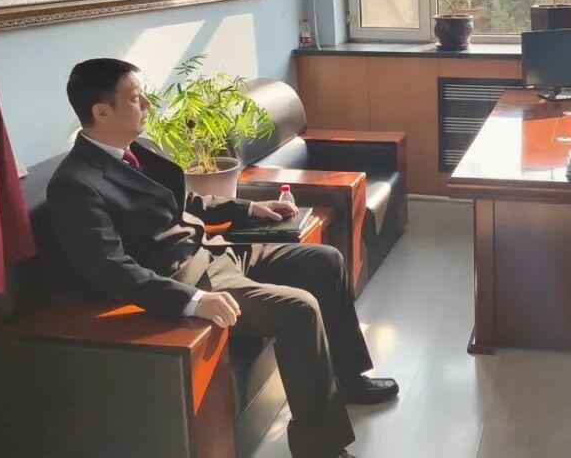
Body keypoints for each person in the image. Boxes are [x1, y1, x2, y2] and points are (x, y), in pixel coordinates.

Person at [46, 58, 395, 458]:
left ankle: (349, 379)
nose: (147, 105)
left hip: (212, 251)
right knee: (299, 309)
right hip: (185, 278)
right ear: (101, 111)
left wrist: (249, 208)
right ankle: (320, 449)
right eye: (135, 98)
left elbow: (183, 200)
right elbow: (109, 268)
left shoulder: (135, 149)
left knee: (326, 261)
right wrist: (193, 300)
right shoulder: (76, 184)